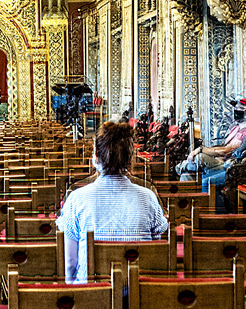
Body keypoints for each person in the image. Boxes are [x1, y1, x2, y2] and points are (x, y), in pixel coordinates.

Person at [56, 121, 168, 283]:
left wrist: (75, 294)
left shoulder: (77, 199)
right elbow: (155, 253)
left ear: (95, 157)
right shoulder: (148, 197)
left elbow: (70, 263)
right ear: (130, 159)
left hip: (92, 296)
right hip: (138, 296)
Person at [201, 95, 246, 206]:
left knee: (206, 181)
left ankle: (217, 215)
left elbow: (242, 149)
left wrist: (232, 155)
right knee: (207, 174)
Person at [175, 97, 246, 178]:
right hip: (219, 157)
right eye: (236, 107)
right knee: (186, 175)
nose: (236, 110)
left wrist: (200, 150)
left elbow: (228, 150)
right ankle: (185, 174)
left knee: (200, 157)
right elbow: (222, 144)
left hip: (229, 162)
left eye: (240, 108)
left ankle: (181, 167)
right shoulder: (236, 127)